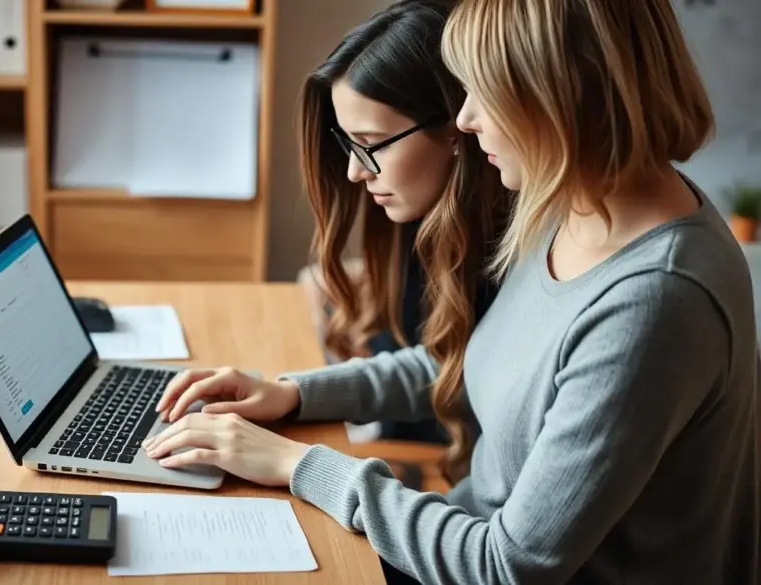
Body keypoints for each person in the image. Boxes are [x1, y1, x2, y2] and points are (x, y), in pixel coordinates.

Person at [144, 0, 761, 583]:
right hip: (459, 536)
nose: (464, 119)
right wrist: (296, 394)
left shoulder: (656, 300)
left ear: (561, 95)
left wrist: (297, 465)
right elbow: (478, 363)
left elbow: (506, 567)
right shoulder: (569, 207)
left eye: (484, 92)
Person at [295, 0, 509, 450]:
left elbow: (454, 384)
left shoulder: (506, 257)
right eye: (349, 144)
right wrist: (295, 392)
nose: (355, 171)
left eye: (372, 144)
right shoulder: (422, 209)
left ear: (455, 127)